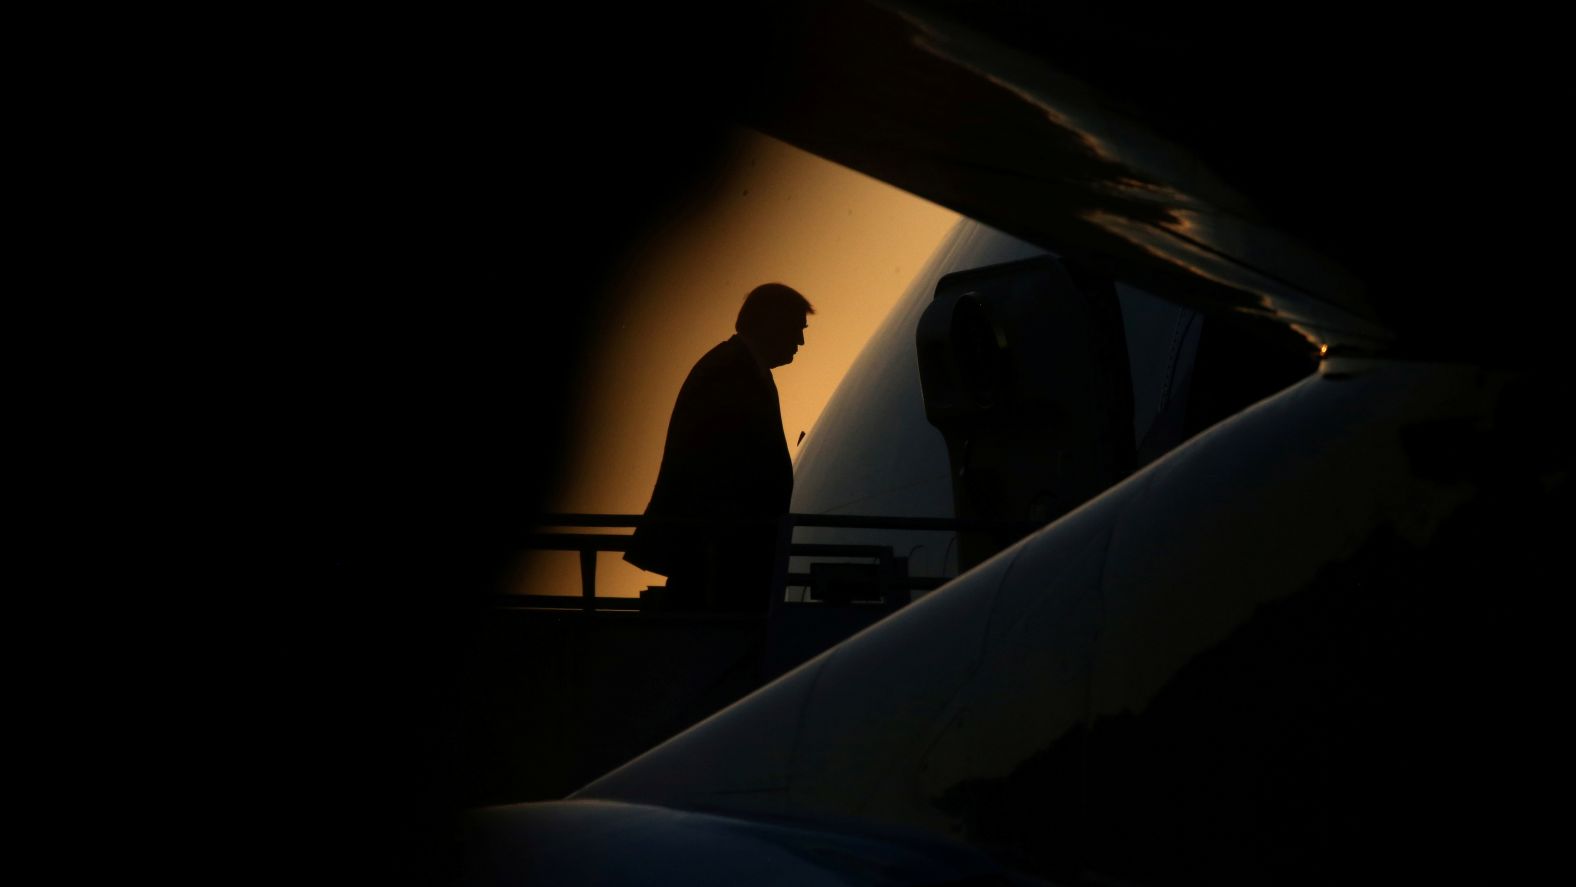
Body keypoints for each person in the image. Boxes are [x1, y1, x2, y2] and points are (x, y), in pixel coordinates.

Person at [625, 283, 814, 612]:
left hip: (724, 552)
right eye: (796, 328)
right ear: (770, 322)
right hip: (722, 556)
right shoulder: (731, 371)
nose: (800, 341)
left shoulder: (736, 367)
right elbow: (723, 470)